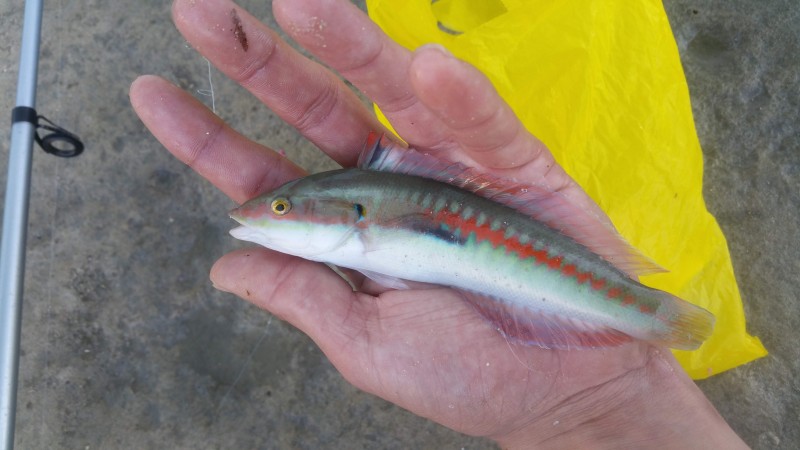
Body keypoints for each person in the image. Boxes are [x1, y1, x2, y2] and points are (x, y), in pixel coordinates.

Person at [130, 0, 747, 447]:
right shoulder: (361, 222)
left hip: (567, 276)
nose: (262, 214)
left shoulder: (369, 217)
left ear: (349, 216)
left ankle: (646, 312)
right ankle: (643, 318)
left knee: (624, 305)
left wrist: (614, 403)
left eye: (283, 207)